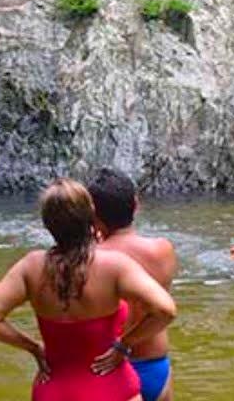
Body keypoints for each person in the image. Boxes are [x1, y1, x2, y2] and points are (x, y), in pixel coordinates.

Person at [0, 179, 177, 401]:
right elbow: (165, 310)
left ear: (47, 223)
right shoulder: (114, 265)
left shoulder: (30, 267)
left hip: (54, 389)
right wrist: (124, 345)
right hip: (112, 387)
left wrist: (33, 347)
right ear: (91, 216)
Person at [88, 168, 179, 401]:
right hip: (155, 366)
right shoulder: (163, 250)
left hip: (109, 369)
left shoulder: (91, 258)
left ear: (93, 215)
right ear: (136, 204)